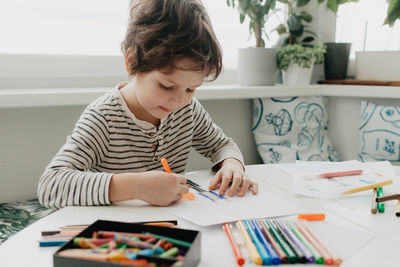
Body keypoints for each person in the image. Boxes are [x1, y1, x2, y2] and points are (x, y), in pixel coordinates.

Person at [38, 0, 258, 209]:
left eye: (190, 89)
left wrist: (232, 164)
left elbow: (221, 145)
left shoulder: (187, 110)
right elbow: (51, 185)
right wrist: (136, 187)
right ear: (132, 62)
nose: (178, 101)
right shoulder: (104, 118)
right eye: (166, 86)